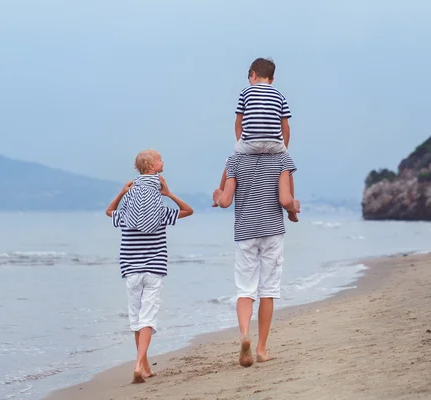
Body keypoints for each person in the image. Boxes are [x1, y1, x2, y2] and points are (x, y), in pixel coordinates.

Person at [105, 149, 194, 383]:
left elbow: (109, 212)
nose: (163, 162)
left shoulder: (128, 207)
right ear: (152, 166)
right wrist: (169, 194)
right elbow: (188, 211)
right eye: (160, 159)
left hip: (131, 268)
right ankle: (138, 364)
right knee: (147, 318)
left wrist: (122, 193)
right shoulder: (158, 207)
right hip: (154, 267)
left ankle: (144, 367)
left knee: (136, 318)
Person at [213, 152, 299, 367]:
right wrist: (293, 210)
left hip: (245, 233)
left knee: (245, 290)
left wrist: (217, 197)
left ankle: (244, 335)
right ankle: (261, 349)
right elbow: (285, 200)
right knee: (267, 291)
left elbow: (225, 201)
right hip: (272, 232)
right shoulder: (282, 158)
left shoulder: (234, 160)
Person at [212, 57, 300, 222]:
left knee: (231, 160)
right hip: (275, 144)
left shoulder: (245, 93)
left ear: (252, 75)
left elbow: (238, 123)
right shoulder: (280, 95)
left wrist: (241, 142)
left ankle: (220, 192)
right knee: (286, 166)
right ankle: (291, 208)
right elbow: (286, 127)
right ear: (271, 79)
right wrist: (284, 150)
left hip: (250, 143)